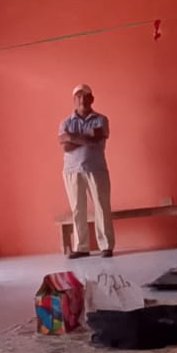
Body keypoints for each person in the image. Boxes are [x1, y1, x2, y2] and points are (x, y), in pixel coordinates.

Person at [60, 83, 114, 258]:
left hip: (96, 169)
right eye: (78, 96)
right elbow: (65, 146)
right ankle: (81, 247)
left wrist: (72, 137)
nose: (82, 100)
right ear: (74, 100)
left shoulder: (101, 119)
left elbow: (97, 137)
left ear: (92, 99)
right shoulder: (66, 122)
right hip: (72, 170)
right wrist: (87, 136)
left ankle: (106, 245)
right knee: (77, 209)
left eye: (85, 96)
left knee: (101, 206)